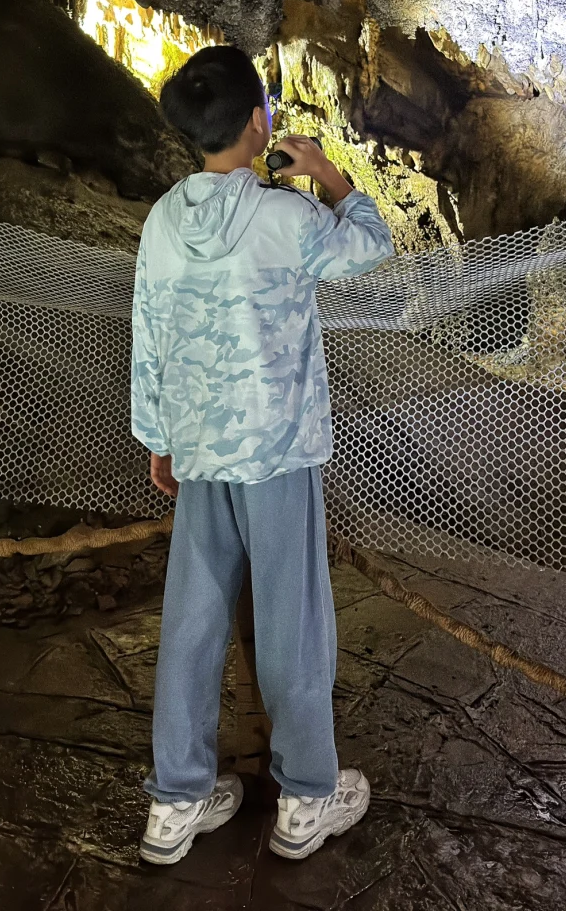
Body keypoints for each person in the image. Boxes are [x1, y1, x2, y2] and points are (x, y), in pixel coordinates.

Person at [131, 45, 394, 866]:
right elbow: (370, 245)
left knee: (193, 620)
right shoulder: (284, 217)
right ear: (258, 122)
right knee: (293, 620)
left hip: (201, 449)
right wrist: (328, 173)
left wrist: (159, 437)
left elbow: (149, 333)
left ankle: (175, 801)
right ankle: (308, 793)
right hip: (277, 450)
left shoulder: (163, 219)